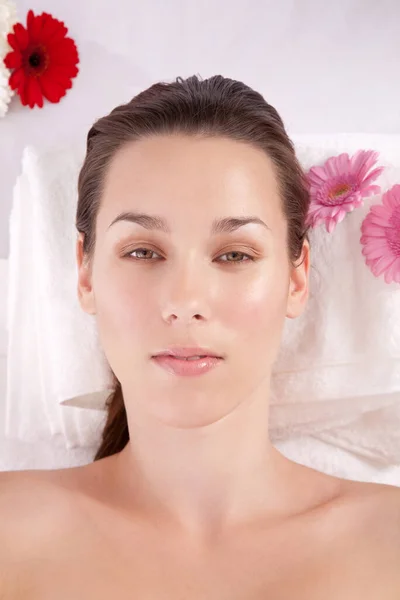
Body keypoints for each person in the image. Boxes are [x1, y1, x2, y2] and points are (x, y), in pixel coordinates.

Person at [1, 74, 400, 599]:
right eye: (142, 252)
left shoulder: (385, 543)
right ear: (85, 273)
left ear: (296, 277)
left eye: (234, 254)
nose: (186, 301)